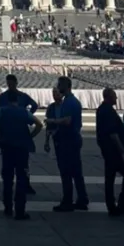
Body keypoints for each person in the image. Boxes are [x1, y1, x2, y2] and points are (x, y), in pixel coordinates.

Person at [0, 90, 43, 220]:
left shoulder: (2, 110)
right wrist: (30, 136)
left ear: (8, 100)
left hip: (7, 147)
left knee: (7, 179)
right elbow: (39, 124)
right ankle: (20, 210)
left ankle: (7, 207)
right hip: (22, 149)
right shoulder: (24, 111)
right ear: (18, 101)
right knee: (21, 179)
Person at [46, 76, 89, 212]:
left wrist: (53, 121)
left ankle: (67, 201)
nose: (58, 87)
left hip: (68, 140)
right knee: (76, 172)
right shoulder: (71, 101)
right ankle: (82, 199)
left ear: (65, 86)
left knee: (66, 172)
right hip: (73, 139)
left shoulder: (69, 102)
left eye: (59, 85)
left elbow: (67, 121)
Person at [0, 74, 39, 195]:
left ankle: (25, 183)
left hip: (19, 130)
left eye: (11, 83)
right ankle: (10, 186)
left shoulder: (22, 96)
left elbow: (34, 105)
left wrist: (27, 115)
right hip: (8, 130)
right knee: (9, 164)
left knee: (24, 164)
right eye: (8, 83)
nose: (10, 86)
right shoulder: (3, 97)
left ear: (16, 83)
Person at [96, 88, 124, 217]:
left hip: (108, 149)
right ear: (109, 97)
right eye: (114, 96)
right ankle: (121, 204)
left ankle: (112, 205)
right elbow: (113, 133)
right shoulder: (108, 111)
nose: (116, 99)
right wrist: (122, 151)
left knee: (110, 178)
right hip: (113, 150)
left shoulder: (102, 109)